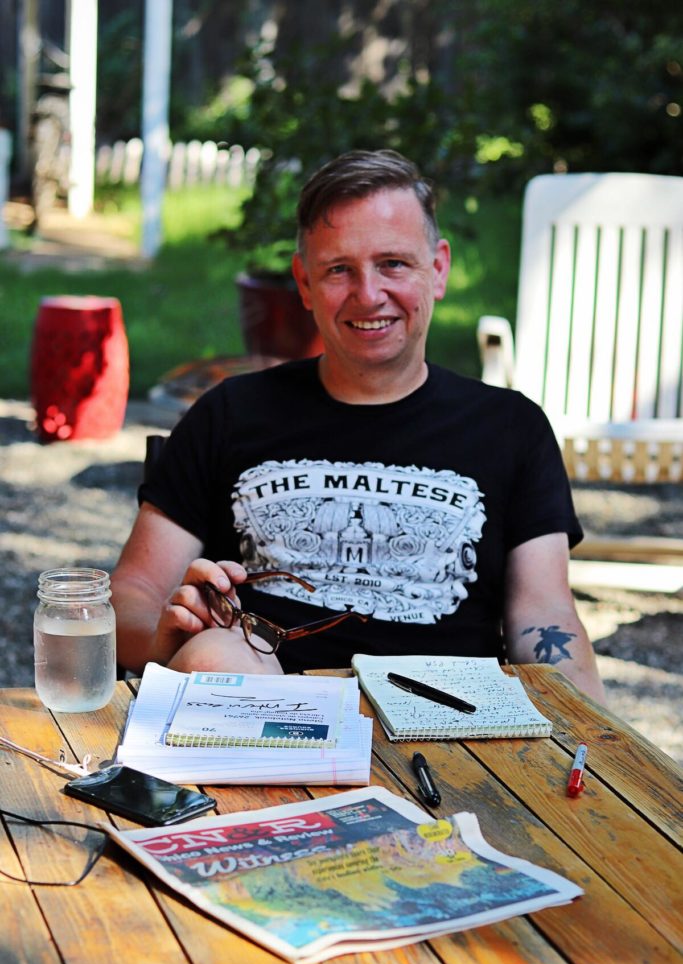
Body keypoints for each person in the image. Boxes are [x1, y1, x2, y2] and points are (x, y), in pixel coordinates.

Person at [111, 149, 605, 703]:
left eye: (393, 263)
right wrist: (164, 638)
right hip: (263, 715)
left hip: (446, 718)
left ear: (438, 269)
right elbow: (132, 596)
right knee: (213, 655)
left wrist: (593, 735)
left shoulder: (511, 427)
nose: (369, 295)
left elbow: (545, 615)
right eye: (338, 269)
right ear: (304, 283)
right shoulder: (229, 413)